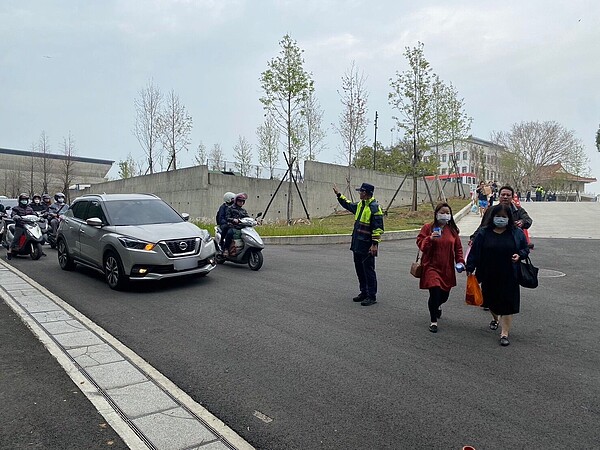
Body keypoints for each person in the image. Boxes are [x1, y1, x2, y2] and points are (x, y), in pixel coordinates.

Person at [466, 204, 530, 346]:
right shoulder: (484, 233)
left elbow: (525, 249)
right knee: (489, 301)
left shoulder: (516, 233)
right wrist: (470, 267)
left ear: (509, 218)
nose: (501, 219)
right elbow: (475, 251)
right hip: (488, 273)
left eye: (504, 217)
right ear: (492, 217)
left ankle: (504, 333)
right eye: (498, 216)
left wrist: (519, 255)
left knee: (507, 303)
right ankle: (496, 318)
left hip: (509, 274)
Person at [332, 182, 384, 307]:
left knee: (368, 270)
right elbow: (348, 204)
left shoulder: (374, 207)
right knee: (360, 270)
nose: (359, 193)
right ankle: (364, 292)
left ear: (365, 193)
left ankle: (371, 295)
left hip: (367, 245)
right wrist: (339, 195)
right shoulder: (360, 205)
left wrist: (374, 244)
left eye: (361, 191)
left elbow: (378, 228)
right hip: (357, 244)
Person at [416, 203, 464, 333]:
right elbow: (421, 244)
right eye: (442, 212)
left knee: (444, 295)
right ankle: (433, 321)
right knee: (435, 290)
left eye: (447, 213)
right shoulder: (428, 228)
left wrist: (460, 261)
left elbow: (458, 249)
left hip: (447, 268)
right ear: (436, 213)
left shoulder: (453, 231)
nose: (445, 215)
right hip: (431, 266)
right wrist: (429, 238)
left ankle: (437, 306)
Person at [7, 193, 35, 260]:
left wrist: (39, 217)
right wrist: (16, 217)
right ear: (20, 200)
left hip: (29, 225)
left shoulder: (30, 209)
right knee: (16, 238)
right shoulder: (16, 208)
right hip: (20, 226)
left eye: (25, 200)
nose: (24, 201)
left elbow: (34, 214)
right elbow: (13, 214)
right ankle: (10, 251)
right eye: (23, 200)